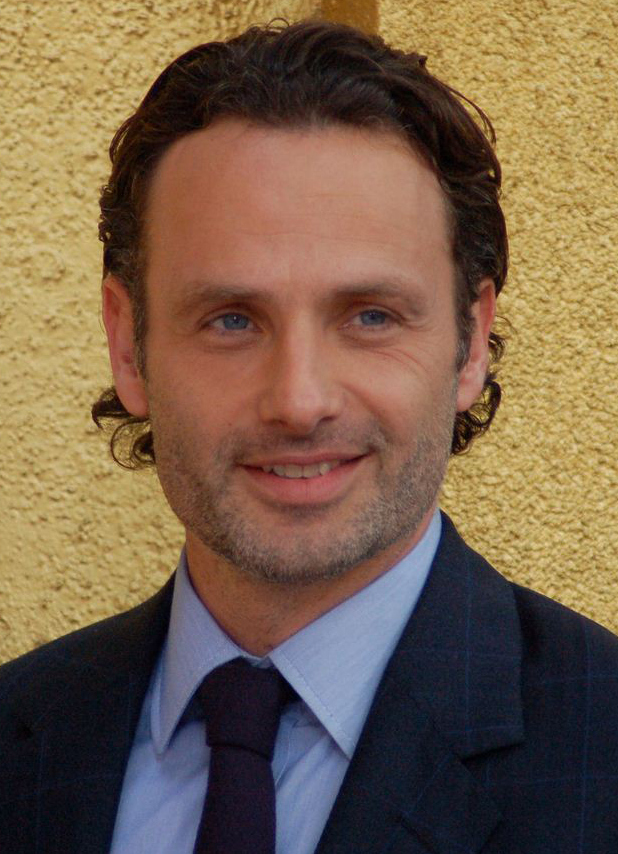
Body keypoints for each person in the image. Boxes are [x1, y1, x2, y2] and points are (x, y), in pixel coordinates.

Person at [1, 18, 618, 854]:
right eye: (231, 319)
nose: (299, 401)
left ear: (471, 343)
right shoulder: (20, 736)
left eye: (370, 316)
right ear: (127, 344)